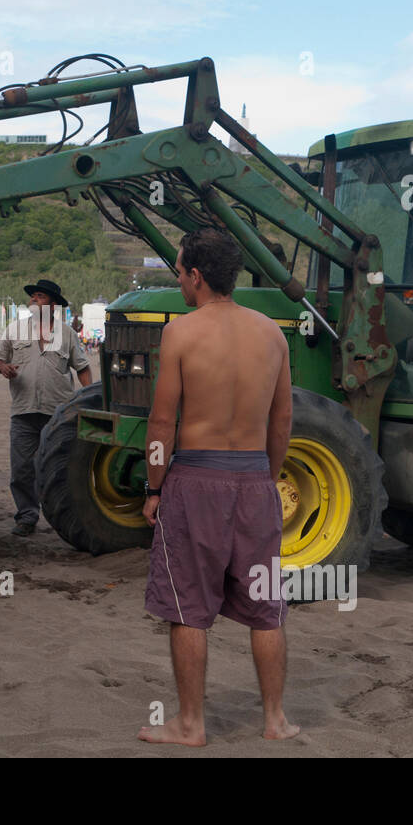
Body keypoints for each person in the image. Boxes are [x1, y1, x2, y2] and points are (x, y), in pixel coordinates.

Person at [139, 229, 299, 746]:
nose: (179, 280)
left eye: (180, 271)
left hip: (196, 480)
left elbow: (162, 423)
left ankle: (190, 725)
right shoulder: (273, 335)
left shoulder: (181, 333)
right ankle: (275, 721)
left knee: (187, 605)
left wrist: (154, 487)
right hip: (254, 477)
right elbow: (282, 422)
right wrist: (267, 479)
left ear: (197, 276)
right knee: (266, 606)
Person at [0, 279, 91, 537]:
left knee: (63, 468)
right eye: (32, 296)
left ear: (53, 305)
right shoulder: (15, 329)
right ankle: (27, 516)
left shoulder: (67, 333)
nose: (33, 300)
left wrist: (87, 400)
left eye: (40, 296)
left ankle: (67, 515)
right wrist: (3, 368)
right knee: (22, 469)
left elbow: (82, 368)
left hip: (59, 415)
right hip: (23, 411)